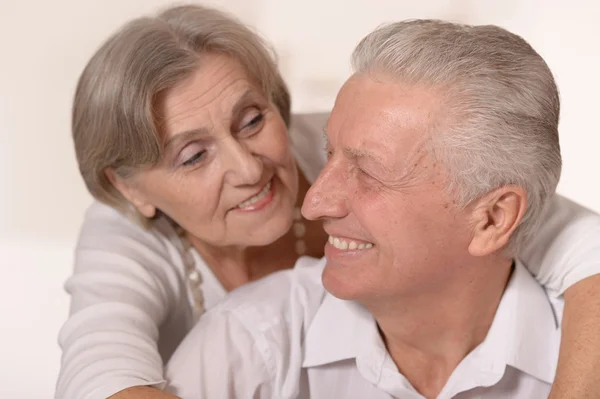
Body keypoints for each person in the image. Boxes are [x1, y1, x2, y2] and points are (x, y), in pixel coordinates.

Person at [56, 5, 600, 399]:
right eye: (192, 156)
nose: (250, 168)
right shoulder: (135, 247)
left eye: (252, 119)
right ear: (129, 187)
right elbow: (98, 369)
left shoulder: (363, 133)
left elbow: (567, 236)